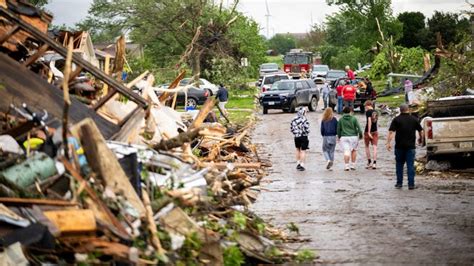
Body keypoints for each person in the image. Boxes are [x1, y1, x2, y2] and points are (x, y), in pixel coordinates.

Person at [386, 104, 424, 189]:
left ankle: (399, 183)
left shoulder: (396, 119)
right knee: (410, 165)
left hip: (399, 146)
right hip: (410, 147)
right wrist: (421, 139)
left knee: (399, 165)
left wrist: (388, 143)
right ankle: (411, 184)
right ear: (408, 110)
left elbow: (391, 132)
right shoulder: (414, 119)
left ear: (400, 110)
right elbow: (421, 131)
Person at [337, 106, 363, 171]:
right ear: (350, 111)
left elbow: (338, 129)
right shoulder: (354, 118)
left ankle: (346, 166)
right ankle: (353, 165)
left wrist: (339, 136)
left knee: (346, 151)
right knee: (354, 150)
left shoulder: (341, 119)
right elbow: (359, 128)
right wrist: (360, 135)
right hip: (353, 137)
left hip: (344, 137)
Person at [291, 107, 310, 171]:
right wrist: (306, 133)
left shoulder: (294, 119)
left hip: (296, 136)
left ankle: (298, 163)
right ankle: (302, 164)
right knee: (303, 150)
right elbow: (307, 129)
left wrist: (295, 133)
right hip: (303, 136)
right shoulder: (304, 119)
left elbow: (291, 128)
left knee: (297, 149)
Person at [364, 100, 378, 169]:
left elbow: (369, 121)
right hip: (375, 130)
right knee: (375, 147)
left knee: (367, 146)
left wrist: (369, 132)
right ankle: (374, 163)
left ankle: (369, 162)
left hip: (368, 131)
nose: (365, 108)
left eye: (365, 106)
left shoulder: (368, 112)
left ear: (368, 105)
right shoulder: (376, 111)